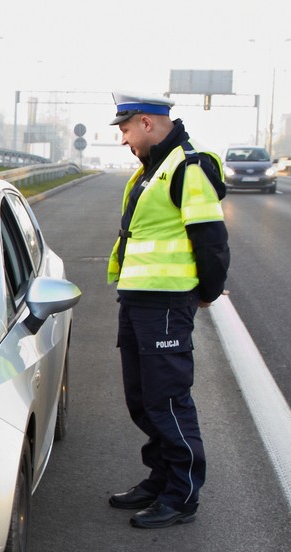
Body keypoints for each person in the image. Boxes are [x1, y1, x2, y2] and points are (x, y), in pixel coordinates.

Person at [104, 91, 230, 529]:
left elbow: (211, 238)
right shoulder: (151, 170)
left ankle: (182, 495)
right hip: (138, 299)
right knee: (141, 398)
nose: (123, 140)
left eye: (124, 129)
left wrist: (207, 291)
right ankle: (159, 479)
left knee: (168, 400)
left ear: (146, 122)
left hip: (166, 302)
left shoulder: (188, 167)